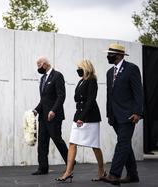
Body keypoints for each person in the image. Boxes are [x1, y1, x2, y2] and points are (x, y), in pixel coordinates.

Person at [55, 59, 105, 183]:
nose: (78, 70)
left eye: (79, 68)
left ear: (86, 68)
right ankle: (68, 171)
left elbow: (90, 100)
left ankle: (101, 171)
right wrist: (79, 117)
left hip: (90, 117)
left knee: (95, 145)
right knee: (72, 143)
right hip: (78, 115)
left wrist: (82, 117)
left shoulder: (92, 81)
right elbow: (77, 98)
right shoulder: (81, 81)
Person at [101, 43, 143, 185]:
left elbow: (138, 93)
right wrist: (108, 114)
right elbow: (109, 95)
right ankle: (133, 175)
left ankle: (114, 174)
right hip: (114, 115)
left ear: (118, 55)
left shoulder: (132, 69)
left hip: (128, 115)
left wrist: (137, 112)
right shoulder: (109, 72)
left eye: (110, 54)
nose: (108, 56)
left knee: (122, 143)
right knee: (125, 144)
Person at [31, 56, 69, 175]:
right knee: (42, 142)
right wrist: (37, 110)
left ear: (46, 64)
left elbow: (61, 96)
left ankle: (70, 162)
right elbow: (44, 99)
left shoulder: (57, 76)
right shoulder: (43, 78)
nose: (38, 68)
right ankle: (42, 168)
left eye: (39, 65)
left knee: (57, 140)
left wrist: (53, 110)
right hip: (43, 116)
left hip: (54, 116)